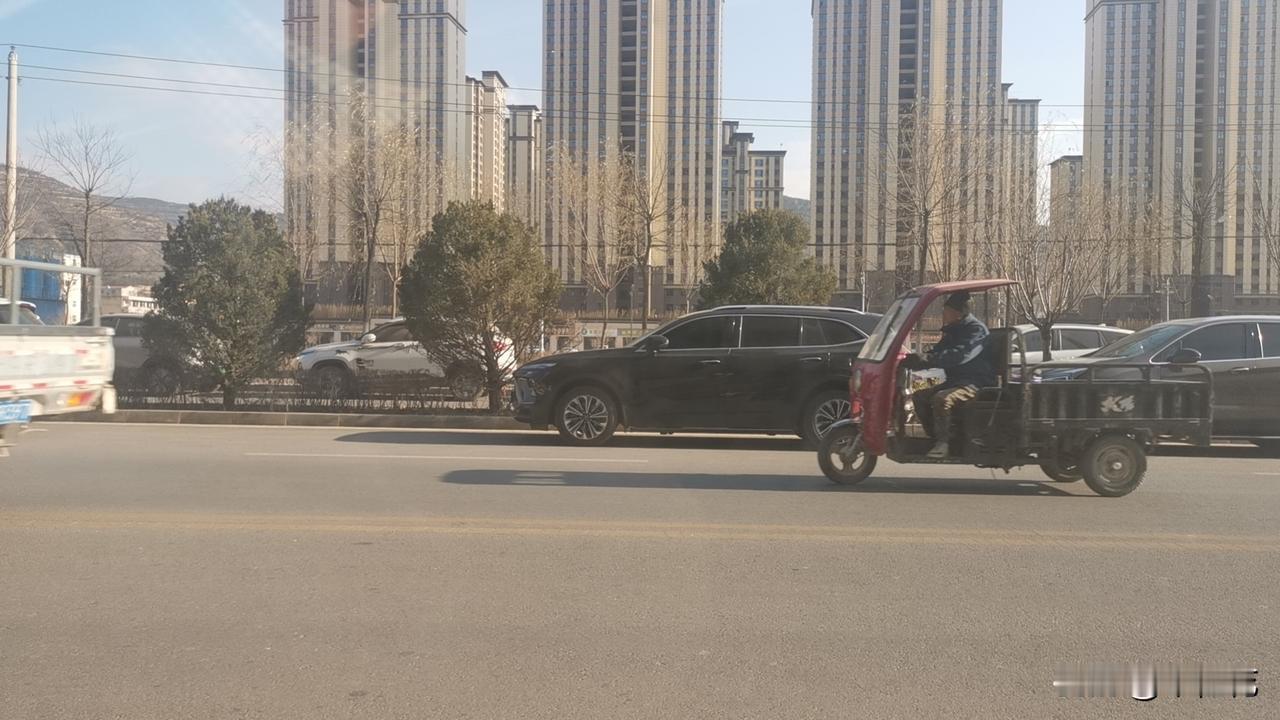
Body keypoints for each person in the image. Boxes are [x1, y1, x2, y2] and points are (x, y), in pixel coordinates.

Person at [903, 291, 996, 459]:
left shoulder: (976, 331)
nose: (944, 315)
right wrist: (916, 360)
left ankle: (943, 443)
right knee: (920, 396)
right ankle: (935, 438)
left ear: (959, 312)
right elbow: (937, 352)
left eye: (947, 311)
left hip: (974, 383)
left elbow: (960, 355)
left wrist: (928, 359)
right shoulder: (954, 330)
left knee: (942, 398)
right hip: (955, 381)